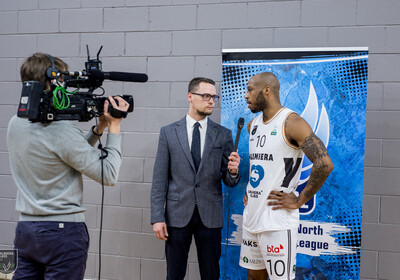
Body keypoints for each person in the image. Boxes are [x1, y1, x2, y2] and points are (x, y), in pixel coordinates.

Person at [7, 53, 129, 280]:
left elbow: (59, 153)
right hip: (61, 234)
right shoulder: (60, 129)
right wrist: (114, 127)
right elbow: (108, 175)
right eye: (61, 80)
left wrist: (97, 130)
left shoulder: (16, 122)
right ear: (52, 82)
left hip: (26, 231)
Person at [239, 72, 334, 280]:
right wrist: (252, 191)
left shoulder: (291, 123)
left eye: (249, 89)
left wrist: (300, 199)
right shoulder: (252, 125)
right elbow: (264, 165)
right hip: (252, 218)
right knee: (254, 277)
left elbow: (324, 163)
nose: (245, 95)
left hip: (277, 223)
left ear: (267, 90)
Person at [151, 77, 241, 280]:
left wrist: (233, 172)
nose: (211, 101)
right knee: (174, 274)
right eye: (206, 96)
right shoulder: (168, 132)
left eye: (214, 97)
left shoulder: (223, 134)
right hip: (177, 214)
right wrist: (157, 217)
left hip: (210, 215)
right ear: (190, 97)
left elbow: (229, 180)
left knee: (211, 274)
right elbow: (159, 179)